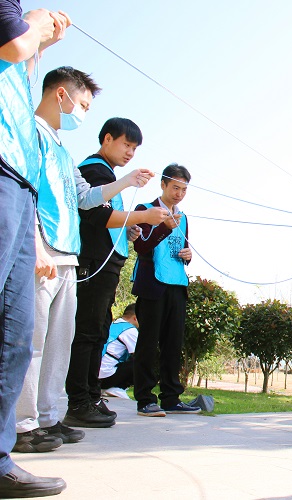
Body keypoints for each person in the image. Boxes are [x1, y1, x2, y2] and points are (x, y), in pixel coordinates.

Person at [14, 66, 158, 455]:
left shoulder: (63, 152)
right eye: (82, 104)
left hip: (69, 256)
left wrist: (126, 182)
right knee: (34, 343)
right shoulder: (28, 136)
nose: (82, 113)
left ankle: (49, 416)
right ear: (60, 95)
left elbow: (85, 198)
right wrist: (37, 247)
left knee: (60, 342)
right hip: (43, 253)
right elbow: (20, 192)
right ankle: (23, 424)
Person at [0, 3, 69, 497]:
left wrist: (39, 43)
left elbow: (17, 59)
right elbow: (11, 43)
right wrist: (36, 29)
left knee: (15, 336)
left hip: (18, 184)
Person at [63, 117, 168, 429]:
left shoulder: (106, 173)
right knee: (87, 331)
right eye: (126, 144)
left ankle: (91, 395)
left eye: (134, 149)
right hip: (94, 262)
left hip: (106, 263)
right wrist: (144, 215)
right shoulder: (95, 170)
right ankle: (79, 400)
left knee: (97, 329)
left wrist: (131, 227)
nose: (130, 153)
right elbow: (97, 215)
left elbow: (111, 219)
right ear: (107, 139)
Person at [132, 164, 200, 417]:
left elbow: (182, 248)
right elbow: (141, 246)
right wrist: (165, 227)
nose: (179, 194)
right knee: (148, 342)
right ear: (162, 184)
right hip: (152, 285)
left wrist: (189, 254)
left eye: (184, 189)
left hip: (177, 285)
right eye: (175, 188)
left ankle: (171, 397)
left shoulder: (183, 217)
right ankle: (145, 399)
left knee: (173, 343)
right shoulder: (145, 210)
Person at [99, 304, 139, 400]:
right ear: (135, 318)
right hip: (107, 376)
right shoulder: (130, 330)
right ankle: (117, 387)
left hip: (96, 375)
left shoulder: (113, 324)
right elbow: (140, 355)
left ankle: (107, 388)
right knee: (140, 363)